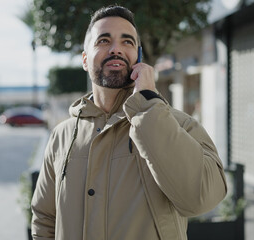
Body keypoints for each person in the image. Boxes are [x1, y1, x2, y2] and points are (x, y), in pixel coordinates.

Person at [31, 5, 227, 240]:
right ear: (85, 60)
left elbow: (201, 199)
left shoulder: (179, 124)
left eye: (127, 42)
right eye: (104, 41)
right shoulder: (61, 135)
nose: (116, 49)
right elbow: (44, 218)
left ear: (138, 57)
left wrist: (147, 107)